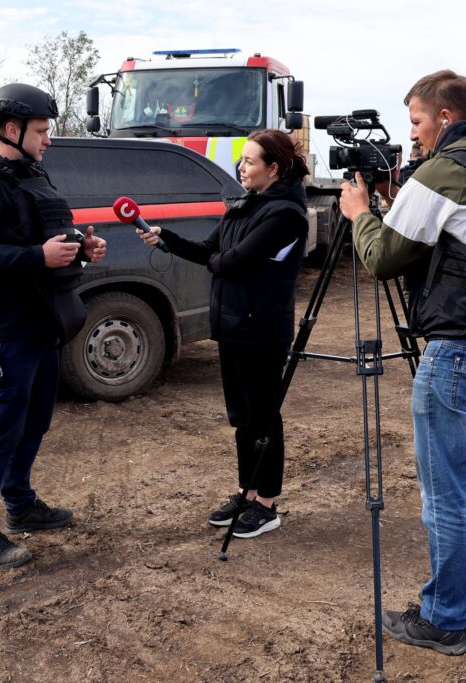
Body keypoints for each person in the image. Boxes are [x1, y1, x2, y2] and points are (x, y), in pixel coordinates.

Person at [340, 70, 466, 655]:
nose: (415, 135)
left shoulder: (446, 171)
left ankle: (444, 619)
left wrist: (358, 214)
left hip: (457, 352)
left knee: (446, 494)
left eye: (418, 122)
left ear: (445, 118)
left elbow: (383, 257)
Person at [0, 83, 107, 569]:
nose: (48, 139)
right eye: (41, 130)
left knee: (32, 422)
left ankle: (20, 505)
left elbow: (45, 236)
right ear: (11, 130)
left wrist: (82, 245)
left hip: (42, 323)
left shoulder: (32, 177)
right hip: (3, 329)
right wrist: (38, 256)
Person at [138, 129, 309, 539]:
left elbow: (234, 262)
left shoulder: (286, 214)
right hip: (232, 326)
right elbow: (208, 251)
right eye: (242, 160)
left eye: (250, 161)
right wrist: (167, 239)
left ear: (275, 168)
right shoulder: (245, 206)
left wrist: (220, 259)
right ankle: (245, 491)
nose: (241, 167)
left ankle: (266, 504)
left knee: (263, 417)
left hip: (262, 329)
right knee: (241, 417)